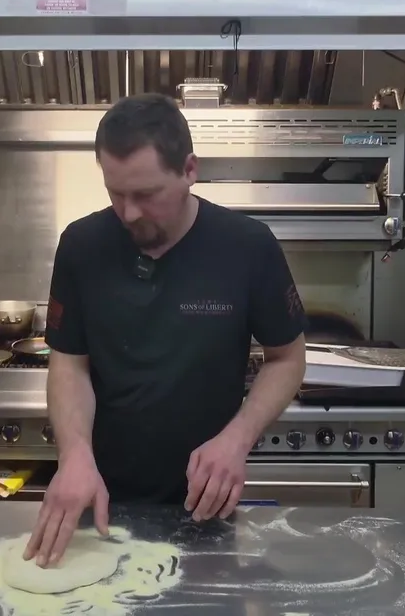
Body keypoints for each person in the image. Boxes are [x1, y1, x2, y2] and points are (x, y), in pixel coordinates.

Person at [24, 93, 308, 567]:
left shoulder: (247, 247)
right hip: (100, 503)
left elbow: (288, 358)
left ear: (189, 170)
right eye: (116, 193)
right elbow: (70, 364)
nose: (129, 212)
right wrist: (74, 455)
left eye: (146, 195)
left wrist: (237, 439)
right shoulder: (81, 246)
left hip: (205, 506)